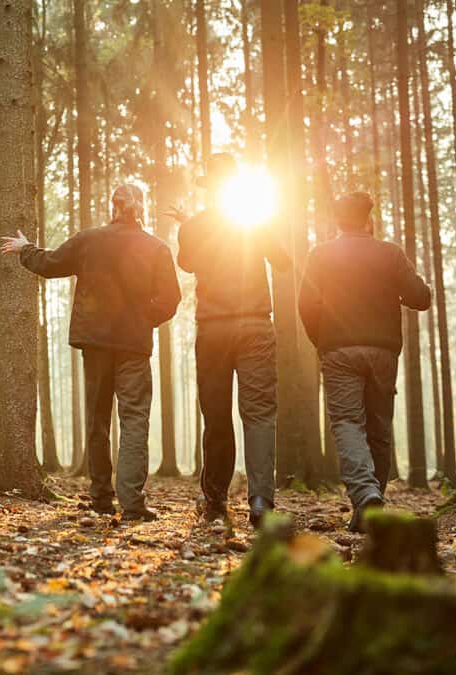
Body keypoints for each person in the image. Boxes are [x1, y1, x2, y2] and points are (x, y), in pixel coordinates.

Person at [0, 184, 181, 521]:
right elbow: (171, 299)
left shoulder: (89, 240)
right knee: (134, 420)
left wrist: (26, 249)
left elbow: (51, 263)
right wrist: (143, 320)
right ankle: (132, 503)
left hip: (95, 343)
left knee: (98, 420)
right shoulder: (156, 248)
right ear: (141, 208)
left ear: (112, 206)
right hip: (133, 346)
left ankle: (100, 498)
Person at [298, 192, 432, 532]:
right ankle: (371, 502)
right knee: (378, 429)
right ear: (368, 220)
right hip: (383, 351)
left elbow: (306, 305)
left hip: (338, 351)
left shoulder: (320, 255)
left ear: (338, 221)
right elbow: (420, 298)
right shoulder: (390, 253)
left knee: (346, 422)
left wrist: (323, 342)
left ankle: (366, 496)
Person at [169, 152, 289, 530]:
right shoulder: (254, 220)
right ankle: (260, 500)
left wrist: (190, 225)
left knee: (216, 414)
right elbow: (284, 261)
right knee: (259, 414)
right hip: (254, 325)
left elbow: (186, 262)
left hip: (214, 329)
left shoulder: (193, 227)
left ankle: (216, 499)